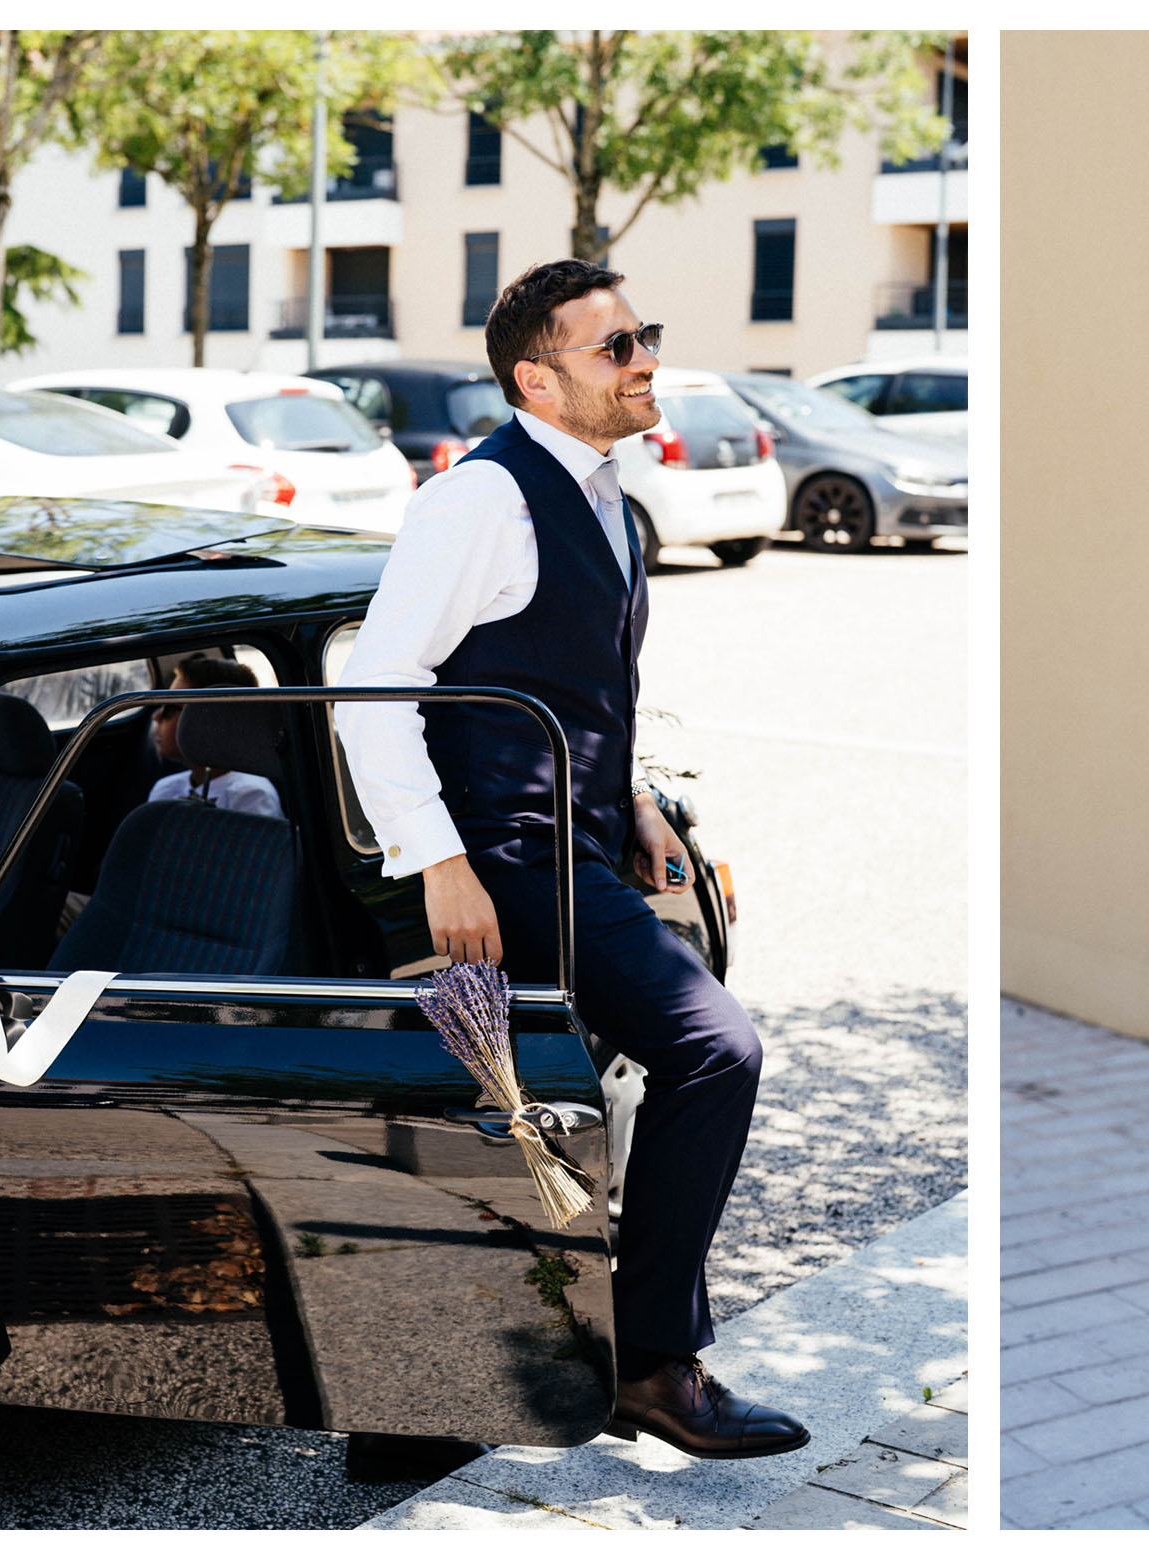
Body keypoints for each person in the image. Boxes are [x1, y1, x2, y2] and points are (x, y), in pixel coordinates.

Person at [334, 259, 807, 1459]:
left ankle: (466, 1380)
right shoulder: (479, 500)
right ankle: (651, 1366)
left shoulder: (597, 489)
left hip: (583, 836)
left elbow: (563, 682)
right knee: (714, 1048)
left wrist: (635, 793)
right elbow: (373, 693)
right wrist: (441, 862)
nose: (646, 358)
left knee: (551, 1111)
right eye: (616, 347)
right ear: (538, 380)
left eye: (644, 334)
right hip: (511, 859)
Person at [148, 655, 285, 816]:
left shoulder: (251, 796)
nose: (156, 717)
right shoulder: (165, 789)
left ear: (211, 722)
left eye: (169, 709)